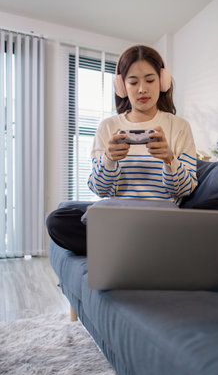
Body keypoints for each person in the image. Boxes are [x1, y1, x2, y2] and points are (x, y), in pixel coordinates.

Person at [46, 45, 198, 255]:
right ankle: (145, 250)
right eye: (133, 82)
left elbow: (184, 190)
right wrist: (109, 159)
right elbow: (100, 190)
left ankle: (124, 249)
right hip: (117, 221)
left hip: (162, 221)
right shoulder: (107, 127)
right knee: (57, 220)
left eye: (150, 80)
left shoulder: (179, 126)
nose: (142, 89)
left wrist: (169, 159)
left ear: (163, 81)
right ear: (122, 86)